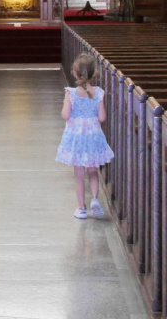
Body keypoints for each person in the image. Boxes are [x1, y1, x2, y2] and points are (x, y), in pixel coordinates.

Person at [56, 54, 114, 219]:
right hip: (93, 136)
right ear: (94, 74)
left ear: (74, 73)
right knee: (93, 171)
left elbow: (66, 115)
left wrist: (64, 109)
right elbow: (102, 117)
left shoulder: (71, 93)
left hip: (77, 137)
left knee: (79, 174)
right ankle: (95, 198)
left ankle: (81, 208)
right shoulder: (99, 93)